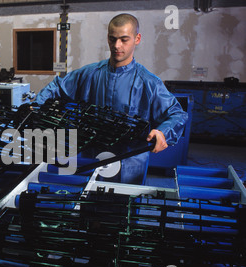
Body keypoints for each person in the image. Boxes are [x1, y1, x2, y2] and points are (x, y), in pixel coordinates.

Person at [34, 13, 188, 185]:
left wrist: (163, 132)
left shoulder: (148, 83)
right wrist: (35, 106)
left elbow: (177, 114)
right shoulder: (89, 74)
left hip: (129, 165)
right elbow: (57, 87)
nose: (117, 46)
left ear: (137, 39)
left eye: (124, 39)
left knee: (122, 207)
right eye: (112, 39)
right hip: (89, 160)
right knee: (86, 203)